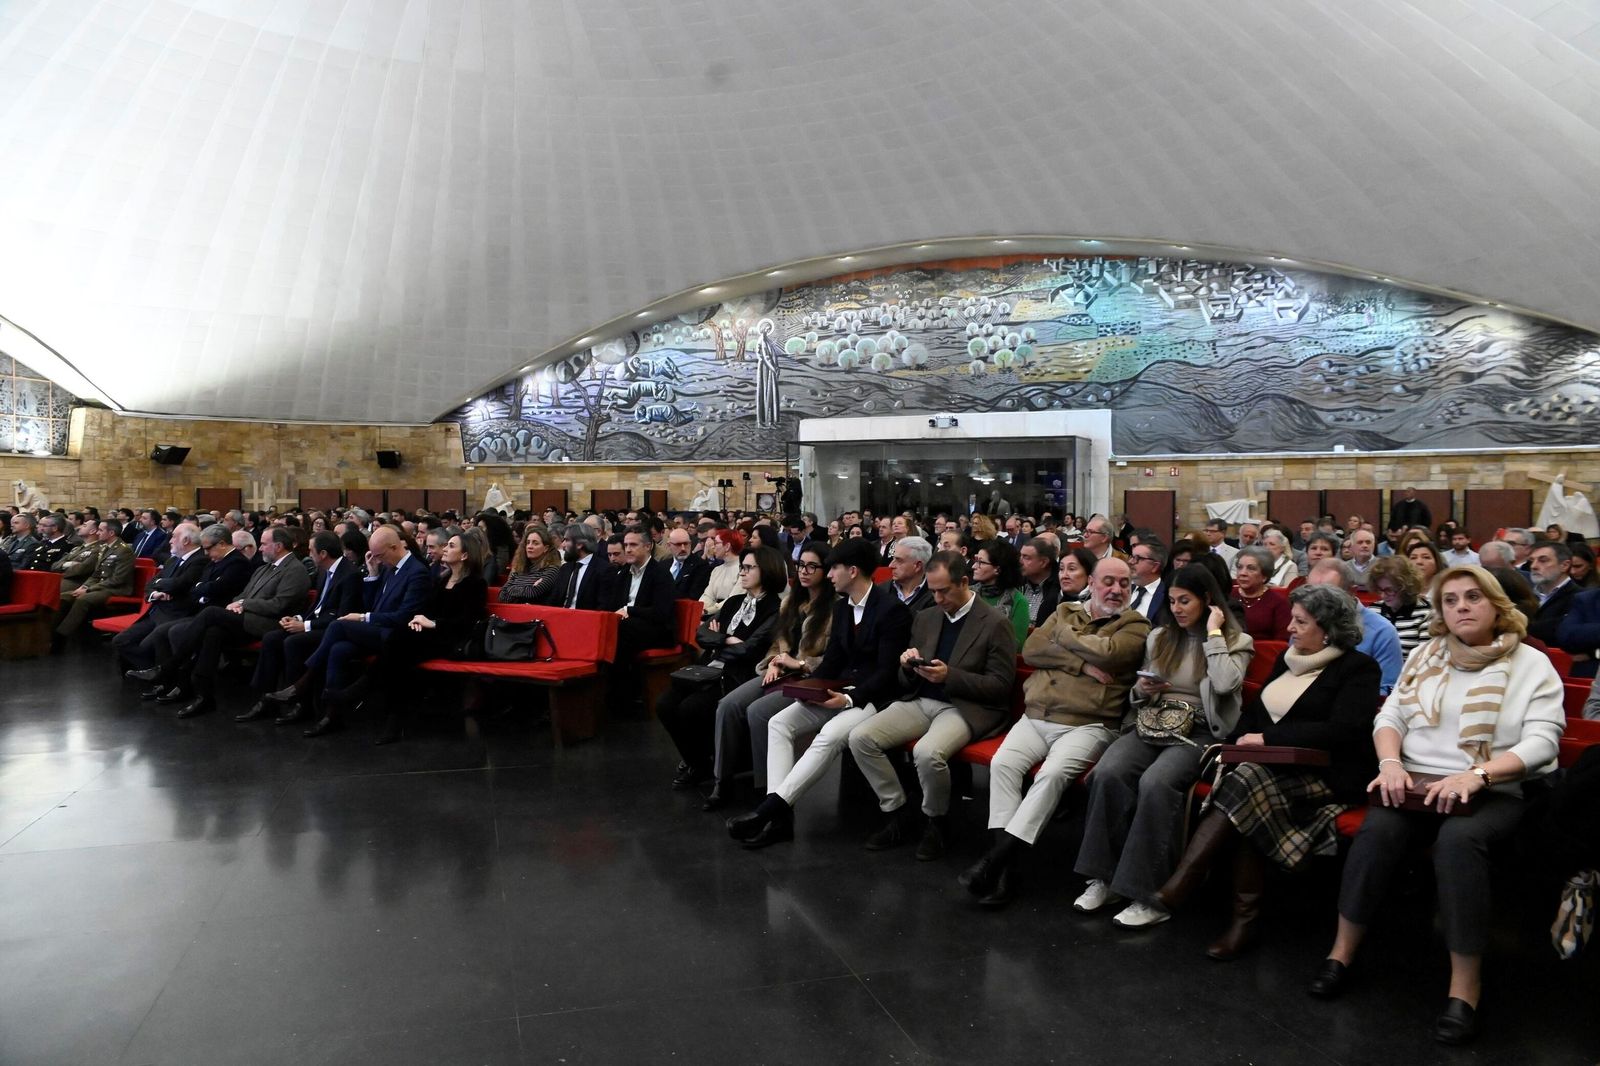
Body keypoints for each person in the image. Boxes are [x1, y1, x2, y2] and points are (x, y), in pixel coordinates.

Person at [1308, 566, 1565, 1046]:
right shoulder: (1427, 654)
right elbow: (1392, 715)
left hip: (1492, 790)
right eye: (1450, 600)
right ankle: (1341, 954)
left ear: (1495, 604)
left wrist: (1478, 773)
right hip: (1415, 783)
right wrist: (1389, 763)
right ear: (1441, 611)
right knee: (1377, 832)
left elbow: (1543, 742)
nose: (1461, 606)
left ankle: (1464, 987)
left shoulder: (1531, 664)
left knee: (1458, 841)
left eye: (1472, 597)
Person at [1156, 585, 1380, 958]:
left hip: (1325, 775)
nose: (1289, 628)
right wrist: (1241, 738)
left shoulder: (1358, 668)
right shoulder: (1287, 660)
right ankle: (1242, 921)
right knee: (1249, 790)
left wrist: (1267, 738)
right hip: (1269, 773)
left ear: (1328, 629)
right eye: (1292, 618)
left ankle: (1186, 880)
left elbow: (1345, 729)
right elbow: (1253, 716)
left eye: (1300, 621)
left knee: (1247, 783)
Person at [1072, 563, 1254, 927]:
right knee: (1109, 771)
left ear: (1207, 601)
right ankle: (1105, 879)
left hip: (1199, 733)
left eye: (1185, 601)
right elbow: (1136, 694)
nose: (1177, 609)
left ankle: (1149, 893)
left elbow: (1224, 685)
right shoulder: (1160, 638)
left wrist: (1215, 634)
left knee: (1157, 782)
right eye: (1171, 601)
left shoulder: (1236, 641)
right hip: (1153, 722)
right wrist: (1142, 690)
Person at [960, 557, 1148, 905]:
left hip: (1087, 724)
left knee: (1052, 775)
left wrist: (1062, 638)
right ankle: (1006, 870)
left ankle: (996, 861)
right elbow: (1032, 649)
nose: (1116, 589)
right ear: (1092, 581)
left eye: (1124, 583)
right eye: (1108, 581)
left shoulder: (1134, 624)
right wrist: (1080, 663)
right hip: (1036, 715)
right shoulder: (1066, 611)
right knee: (1003, 765)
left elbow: (1108, 654)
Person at [726, 538, 912, 848]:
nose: (829, 575)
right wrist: (809, 688)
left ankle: (771, 810)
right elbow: (834, 661)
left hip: (873, 698)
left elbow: (886, 672)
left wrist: (850, 698)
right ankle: (780, 819)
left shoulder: (891, 611)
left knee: (830, 735)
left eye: (834, 568)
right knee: (779, 723)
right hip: (839, 690)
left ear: (852, 571)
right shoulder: (842, 608)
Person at [849, 552, 1018, 861]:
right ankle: (898, 811)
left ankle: (936, 821)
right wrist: (907, 666)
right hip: (922, 698)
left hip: (964, 706)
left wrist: (950, 676)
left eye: (944, 590)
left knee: (927, 753)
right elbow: (904, 681)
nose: (938, 598)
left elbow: (1000, 686)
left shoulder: (995, 623)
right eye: (934, 590)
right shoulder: (927, 617)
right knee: (860, 738)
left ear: (964, 582)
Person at [265, 524, 434, 737]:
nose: (378, 560)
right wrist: (372, 576)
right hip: (378, 630)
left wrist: (364, 617)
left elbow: (404, 616)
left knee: (338, 625)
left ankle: (302, 684)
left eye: (380, 555)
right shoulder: (389, 568)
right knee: (339, 649)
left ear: (393, 547)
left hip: (396, 637)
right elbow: (373, 604)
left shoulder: (417, 572)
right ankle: (332, 715)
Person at [127, 527, 312, 718]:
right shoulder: (264, 568)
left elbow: (279, 605)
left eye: (264, 544)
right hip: (248, 618)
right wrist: (237, 603)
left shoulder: (295, 570)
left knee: (211, 613)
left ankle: (168, 668)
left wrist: (243, 604)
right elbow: (242, 594)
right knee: (212, 633)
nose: (260, 549)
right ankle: (204, 696)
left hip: (270, 624)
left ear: (279, 546)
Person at [705, 543, 836, 810]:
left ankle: (767, 788)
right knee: (728, 705)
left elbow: (832, 658)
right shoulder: (791, 602)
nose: (805, 571)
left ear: (826, 570)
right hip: (780, 671)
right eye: (801, 565)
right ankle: (723, 780)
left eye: (812, 566)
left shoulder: (835, 607)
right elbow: (778, 642)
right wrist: (774, 662)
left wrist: (799, 663)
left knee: (758, 711)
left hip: (808, 676)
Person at [659, 547, 784, 789]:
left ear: (767, 570)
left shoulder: (775, 608)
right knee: (664, 704)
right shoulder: (734, 602)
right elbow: (702, 633)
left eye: (749, 568)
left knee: (690, 708)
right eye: (742, 568)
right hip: (709, 669)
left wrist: (719, 638)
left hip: (739, 675)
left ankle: (701, 764)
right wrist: (726, 639)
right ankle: (696, 760)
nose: (742, 573)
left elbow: (749, 650)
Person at [364, 531, 489, 744]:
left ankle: (368, 690)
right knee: (399, 646)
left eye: (451, 545)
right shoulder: (443, 580)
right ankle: (391, 714)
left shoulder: (475, 584)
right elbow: (428, 610)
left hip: (453, 641)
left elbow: (466, 623)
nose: (446, 549)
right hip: (432, 637)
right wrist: (419, 620)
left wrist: (433, 623)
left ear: (465, 555)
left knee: (399, 647)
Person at [236, 531, 366, 724]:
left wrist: (305, 625)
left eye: (311, 550)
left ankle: (299, 703)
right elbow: (317, 606)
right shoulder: (325, 571)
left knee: (294, 642)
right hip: (318, 623)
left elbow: (342, 616)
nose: (309, 554)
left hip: (334, 629)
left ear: (322, 553)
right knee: (272, 638)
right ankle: (266, 697)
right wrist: (296, 618)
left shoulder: (349, 575)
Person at [110, 522, 207, 670]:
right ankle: (152, 671)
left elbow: (179, 584)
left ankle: (160, 675)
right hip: (156, 611)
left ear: (186, 540)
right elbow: (149, 585)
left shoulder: (200, 560)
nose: (170, 540)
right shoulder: (173, 559)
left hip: (176, 615)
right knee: (120, 640)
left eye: (174, 536)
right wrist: (155, 593)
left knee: (146, 646)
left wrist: (160, 582)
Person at [1306, 560, 1403, 695]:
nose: (1316, 604)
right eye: (1310, 593)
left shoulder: (1382, 632)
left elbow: (1385, 693)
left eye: (1327, 595)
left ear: (1351, 591)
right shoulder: (1303, 624)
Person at [51, 519, 134, 651]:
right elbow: (95, 575)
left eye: (101, 530)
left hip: (116, 589)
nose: (98, 533)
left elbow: (118, 579)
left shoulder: (123, 551)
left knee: (83, 599)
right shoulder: (104, 548)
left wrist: (88, 589)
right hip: (100, 587)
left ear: (111, 533)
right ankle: (49, 633)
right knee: (64, 597)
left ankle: (60, 636)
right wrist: (84, 587)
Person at [970, 538, 1031, 648]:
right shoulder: (968, 594)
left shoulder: (1019, 601)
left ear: (998, 569)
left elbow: (1015, 645)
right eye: (976, 561)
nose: (974, 566)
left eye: (981, 562)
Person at [1370, 555, 1432, 656]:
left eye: (1389, 590)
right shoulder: (1373, 610)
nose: (1383, 595)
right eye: (1379, 589)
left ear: (1406, 587)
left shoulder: (1426, 613)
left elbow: (1423, 659)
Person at [538, 524, 608, 610]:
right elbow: (553, 600)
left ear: (579, 544)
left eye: (567, 540)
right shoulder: (565, 568)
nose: (563, 545)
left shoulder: (604, 569)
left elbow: (603, 606)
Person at [1232, 547, 1291, 641]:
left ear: (1264, 576)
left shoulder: (1279, 603)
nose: (1242, 573)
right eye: (1239, 567)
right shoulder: (1227, 596)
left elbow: (1281, 643)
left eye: (1251, 568)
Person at [1527, 540, 1579, 646]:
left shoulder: (1581, 597)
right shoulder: (1525, 594)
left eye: (1543, 560)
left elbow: (1565, 632)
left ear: (1564, 565)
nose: (1533, 566)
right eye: (1532, 561)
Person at [498, 525, 562, 604]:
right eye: (528, 543)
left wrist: (511, 589)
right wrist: (528, 590)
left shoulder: (552, 570)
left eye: (535, 543)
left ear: (546, 548)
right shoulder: (520, 569)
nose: (529, 546)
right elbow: (502, 596)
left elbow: (534, 593)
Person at [697, 529, 745, 617]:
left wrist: (706, 611)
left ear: (727, 546)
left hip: (730, 614)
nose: (713, 547)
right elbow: (708, 595)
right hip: (711, 613)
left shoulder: (743, 569)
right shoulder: (717, 570)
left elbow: (733, 599)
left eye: (716, 543)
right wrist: (698, 609)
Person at [882, 535, 934, 613]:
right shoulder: (882, 591)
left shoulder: (936, 597)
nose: (891, 565)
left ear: (917, 566)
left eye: (899, 560)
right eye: (893, 559)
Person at [1017, 536, 1060, 628]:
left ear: (1043, 562)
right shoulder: (1016, 583)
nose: (1020, 561)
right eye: (1020, 556)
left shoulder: (1059, 590)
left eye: (1026, 557)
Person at [664, 525, 712, 601]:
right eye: (678, 544)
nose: (683, 548)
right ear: (669, 545)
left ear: (690, 543)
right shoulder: (663, 565)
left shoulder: (701, 566)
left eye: (686, 544)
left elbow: (694, 596)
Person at [1126, 540, 1167, 623]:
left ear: (1155, 566)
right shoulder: (1123, 588)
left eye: (1137, 558)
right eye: (1131, 557)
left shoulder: (1167, 597)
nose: (1130, 562)